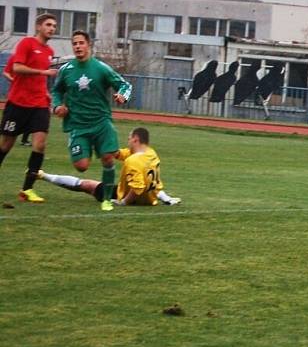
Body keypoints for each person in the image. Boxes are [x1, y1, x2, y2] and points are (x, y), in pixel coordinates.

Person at [51, 30, 132, 211]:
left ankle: (106, 200)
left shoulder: (101, 68)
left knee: (108, 159)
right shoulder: (66, 70)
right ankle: (86, 160)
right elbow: (56, 91)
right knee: (81, 166)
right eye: (75, 44)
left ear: (89, 45)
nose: (78, 46)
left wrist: (123, 96)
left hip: (101, 122)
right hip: (78, 125)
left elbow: (125, 85)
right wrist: (57, 106)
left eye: (81, 43)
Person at [38, 127, 181, 206]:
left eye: (129, 138)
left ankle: (43, 175)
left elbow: (137, 189)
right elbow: (153, 182)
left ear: (136, 139)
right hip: (151, 198)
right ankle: (164, 198)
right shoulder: (151, 153)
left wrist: (123, 202)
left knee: (86, 185)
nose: (128, 141)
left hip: (130, 196)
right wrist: (165, 197)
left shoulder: (133, 161)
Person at [0, 13, 59, 203]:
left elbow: (40, 78)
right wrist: (43, 72)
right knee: (6, 145)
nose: (52, 28)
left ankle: (27, 189)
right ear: (38, 27)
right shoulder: (26, 43)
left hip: (39, 104)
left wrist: (46, 92)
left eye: (54, 26)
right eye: (48, 25)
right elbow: (16, 68)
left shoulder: (50, 50)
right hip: (18, 104)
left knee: (40, 144)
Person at [3, 55, 32, 147]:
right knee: (11, 122)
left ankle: (24, 140)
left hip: (30, 95)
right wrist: (13, 79)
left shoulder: (34, 57)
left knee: (30, 119)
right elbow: (5, 72)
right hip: (15, 96)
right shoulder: (15, 57)